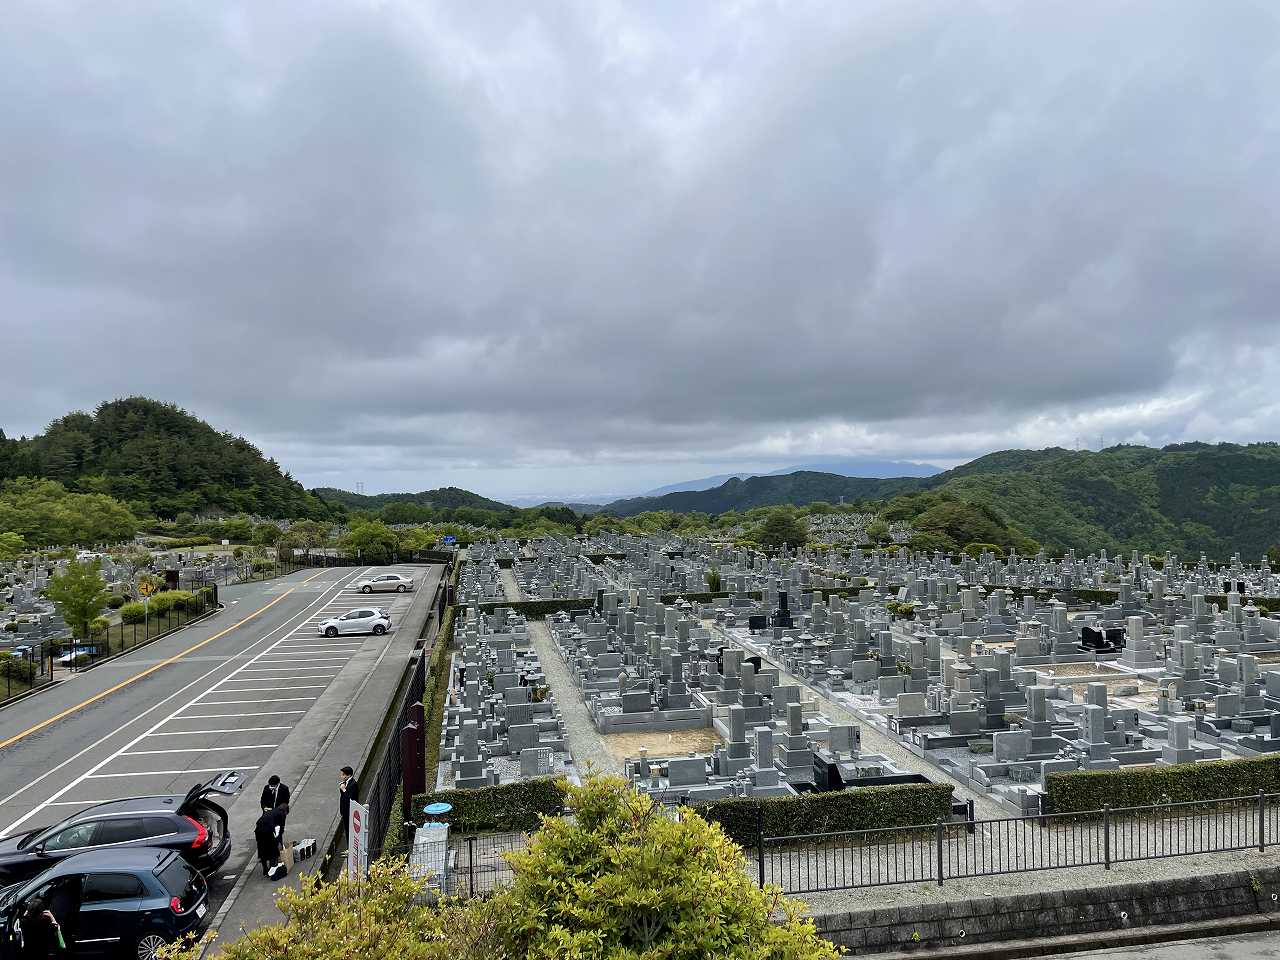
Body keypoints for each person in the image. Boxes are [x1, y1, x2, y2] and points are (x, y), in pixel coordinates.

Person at [254, 803, 289, 877]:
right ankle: (272, 869)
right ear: (285, 811)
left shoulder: (273, 811)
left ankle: (265, 869)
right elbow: (281, 829)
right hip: (267, 830)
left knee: (262, 848)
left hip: (258, 829)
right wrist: (279, 842)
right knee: (272, 849)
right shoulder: (282, 814)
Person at [338, 766, 359, 839]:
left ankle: (350, 846)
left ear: (349, 775)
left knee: (349, 830)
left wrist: (344, 789)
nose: (342, 776)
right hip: (345, 810)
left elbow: (349, 798)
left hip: (350, 811)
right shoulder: (346, 782)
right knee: (347, 829)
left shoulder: (353, 784)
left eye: (343, 775)